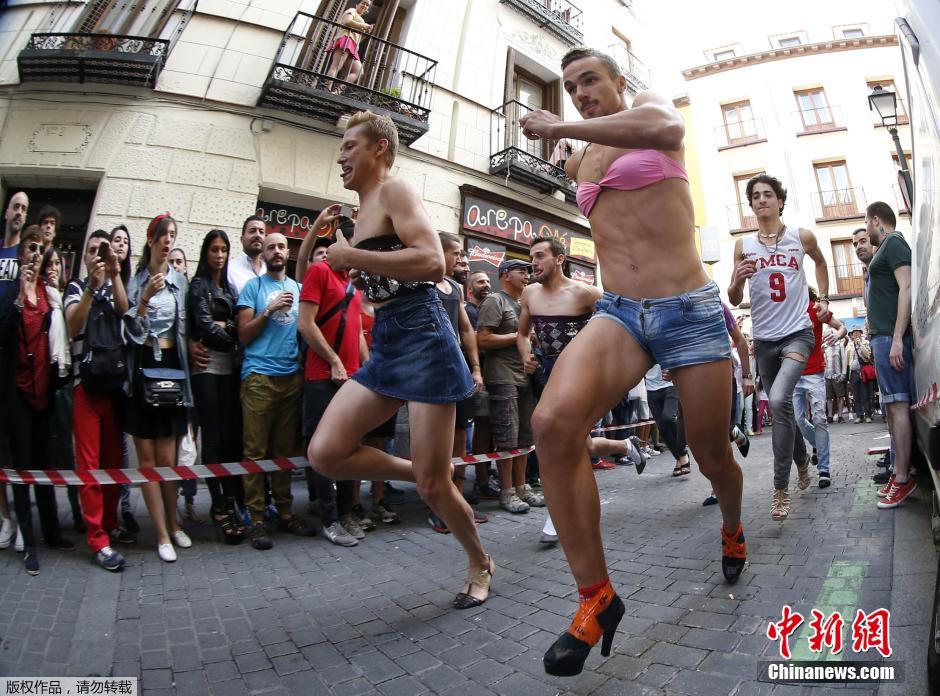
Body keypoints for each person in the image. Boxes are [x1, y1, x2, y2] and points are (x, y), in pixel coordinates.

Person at [518, 47, 745, 676]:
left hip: (688, 308)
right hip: (621, 311)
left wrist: (561, 126)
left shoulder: (647, 107)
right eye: (569, 87)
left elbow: (666, 131)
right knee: (551, 425)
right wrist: (568, 147)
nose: (579, 92)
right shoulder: (582, 156)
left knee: (710, 455)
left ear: (619, 81)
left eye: (589, 79)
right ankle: (596, 598)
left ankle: (732, 524)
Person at [308, 110, 494, 610]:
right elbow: (363, 271)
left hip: (424, 335)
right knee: (325, 454)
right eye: (341, 147)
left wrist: (353, 259)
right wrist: (352, 265)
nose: (341, 156)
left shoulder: (396, 190)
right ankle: (425, 473)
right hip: (389, 338)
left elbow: (432, 262)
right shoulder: (360, 209)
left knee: (436, 488)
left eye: (350, 146)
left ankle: (480, 562)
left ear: (380, 149)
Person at [516, 236, 645, 544]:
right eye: (532, 257)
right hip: (548, 373)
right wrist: (525, 354)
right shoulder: (530, 293)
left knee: (564, 443)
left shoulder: (587, 293)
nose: (533, 263)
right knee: (579, 444)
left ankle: (557, 514)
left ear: (559, 259)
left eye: (540, 256)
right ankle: (626, 446)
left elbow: (623, 321)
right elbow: (522, 334)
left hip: (580, 374)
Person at [728, 173, 830, 522]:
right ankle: (801, 459)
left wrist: (823, 299)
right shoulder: (743, 245)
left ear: (780, 201)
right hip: (765, 341)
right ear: (751, 204)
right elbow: (734, 298)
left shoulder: (801, 237)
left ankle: (780, 488)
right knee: (783, 408)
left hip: (798, 334)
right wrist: (737, 280)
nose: (761, 200)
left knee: (777, 400)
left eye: (768, 194)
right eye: (755, 196)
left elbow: (820, 262)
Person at [0, 225, 75, 575]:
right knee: (22, 468)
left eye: (39, 249)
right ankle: (28, 543)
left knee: (45, 466)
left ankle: (52, 532)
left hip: (45, 392)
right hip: (18, 394)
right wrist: (19, 300)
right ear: (20, 255)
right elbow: (4, 336)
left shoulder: (50, 294)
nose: (34, 254)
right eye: (29, 248)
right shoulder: (10, 294)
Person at [237, 232, 316, 549]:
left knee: (286, 452)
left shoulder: (298, 288)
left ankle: (285, 513)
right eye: (271, 247)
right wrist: (268, 310)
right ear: (265, 254)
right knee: (255, 452)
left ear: (287, 253)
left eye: (282, 246)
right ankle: (256, 519)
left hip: (290, 378)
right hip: (259, 377)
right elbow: (243, 334)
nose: (277, 251)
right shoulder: (253, 287)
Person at [124, 214, 194, 562]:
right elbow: (130, 334)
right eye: (163, 235)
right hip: (142, 370)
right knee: (148, 460)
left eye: (173, 235)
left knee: (168, 459)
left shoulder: (180, 282)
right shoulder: (136, 281)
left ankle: (174, 523)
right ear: (151, 240)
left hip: (172, 369)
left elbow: (187, 329)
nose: (168, 241)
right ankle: (162, 534)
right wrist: (143, 300)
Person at [64, 230, 130, 571]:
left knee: (113, 463)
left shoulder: (113, 283)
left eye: (100, 251)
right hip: (85, 387)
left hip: (113, 386)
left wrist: (115, 274)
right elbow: (72, 324)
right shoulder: (76, 287)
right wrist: (91, 286)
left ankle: (109, 522)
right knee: (89, 465)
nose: (96, 256)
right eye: (91, 250)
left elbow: (124, 309)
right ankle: (97, 539)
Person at [855, 203, 916, 508]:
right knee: (892, 408)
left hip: (891, 337)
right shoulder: (885, 249)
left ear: (876, 220)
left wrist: (897, 339)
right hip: (882, 338)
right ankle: (898, 472)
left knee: (899, 406)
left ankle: (903, 478)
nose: (866, 231)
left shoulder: (894, 242)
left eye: (866, 224)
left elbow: (907, 288)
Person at [187, 230, 245, 544]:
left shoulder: (230, 288)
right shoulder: (199, 285)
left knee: (229, 437)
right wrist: (234, 336)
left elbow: (237, 322)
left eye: (223, 250)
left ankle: (230, 500)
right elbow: (206, 327)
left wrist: (230, 327)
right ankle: (219, 505)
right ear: (205, 252)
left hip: (229, 370)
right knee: (212, 437)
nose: (219, 255)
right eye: (214, 250)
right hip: (206, 368)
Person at [428, 233, 485, 533]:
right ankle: (439, 507)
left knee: (461, 436)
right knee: (436, 441)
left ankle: (459, 503)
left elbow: (465, 329)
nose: (461, 259)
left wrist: (474, 368)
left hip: (457, 370)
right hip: (430, 372)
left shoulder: (454, 288)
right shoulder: (421, 284)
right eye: (456, 253)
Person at [42, 246, 84, 533]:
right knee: (49, 451)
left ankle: (77, 510)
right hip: (45, 380)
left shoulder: (66, 296)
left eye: (57, 263)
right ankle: (51, 517)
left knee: (71, 453)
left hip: (66, 379)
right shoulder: (40, 299)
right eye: (49, 263)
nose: (54, 267)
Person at [794, 289, 845, 490]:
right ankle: (817, 443)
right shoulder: (785, 310)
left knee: (820, 419)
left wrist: (837, 335)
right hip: (793, 373)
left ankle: (824, 469)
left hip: (815, 373)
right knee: (798, 420)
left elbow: (841, 327)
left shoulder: (815, 309)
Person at [109, 224, 141, 536]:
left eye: (125, 241)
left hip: (125, 371)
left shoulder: (131, 283)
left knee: (120, 445)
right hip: (100, 371)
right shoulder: (99, 279)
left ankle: (125, 506)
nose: (120, 245)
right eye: (116, 240)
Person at [324, 1, 373, 88]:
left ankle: (337, 91)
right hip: (346, 39)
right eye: (363, 3)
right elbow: (347, 21)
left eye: (367, 5)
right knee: (336, 66)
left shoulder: (361, 19)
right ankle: (326, 89)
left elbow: (358, 38)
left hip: (353, 44)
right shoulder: (352, 10)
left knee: (358, 71)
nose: (365, 5)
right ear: (357, 4)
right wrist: (363, 26)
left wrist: (365, 33)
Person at [228, 216, 267, 295]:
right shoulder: (229, 270)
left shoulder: (268, 270)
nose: (257, 235)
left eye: (261, 232)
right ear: (242, 239)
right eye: (252, 231)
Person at [846, 326, 874, 423]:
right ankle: (859, 415)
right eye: (854, 332)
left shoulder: (865, 343)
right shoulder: (849, 345)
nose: (855, 334)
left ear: (861, 333)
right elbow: (847, 361)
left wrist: (860, 344)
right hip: (853, 373)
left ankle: (868, 415)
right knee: (856, 395)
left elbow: (867, 355)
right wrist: (846, 374)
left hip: (863, 372)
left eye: (857, 332)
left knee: (865, 394)